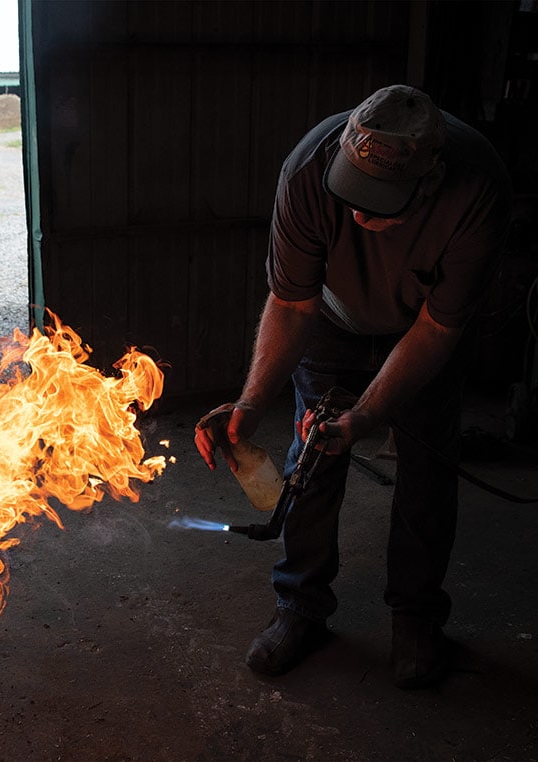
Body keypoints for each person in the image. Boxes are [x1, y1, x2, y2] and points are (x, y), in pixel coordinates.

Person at [194, 84, 512, 688]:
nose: (361, 213)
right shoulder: (308, 170)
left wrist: (365, 419)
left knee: (427, 470)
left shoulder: (478, 191)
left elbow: (438, 327)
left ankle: (417, 620)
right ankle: (300, 605)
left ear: (431, 177)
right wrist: (252, 401)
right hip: (333, 326)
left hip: (423, 330)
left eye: (382, 203)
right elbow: (290, 302)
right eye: (353, 192)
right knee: (310, 457)